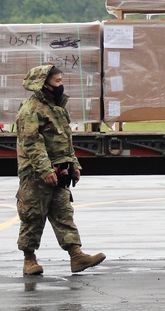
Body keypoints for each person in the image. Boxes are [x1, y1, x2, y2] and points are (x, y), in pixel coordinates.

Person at [15, 64, 105, 276]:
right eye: (57, 82)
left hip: (60, 170)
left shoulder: (57, 107)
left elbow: (65, 141)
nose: (61, 85)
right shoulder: (31, 110)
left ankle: (76, 255)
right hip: (36, 174)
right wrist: (46, 171)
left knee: (64, 213)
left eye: (61, 81)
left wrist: (74, 164)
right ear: (42, 84)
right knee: (33, 216)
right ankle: (29, 259)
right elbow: (32, 144)